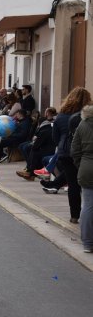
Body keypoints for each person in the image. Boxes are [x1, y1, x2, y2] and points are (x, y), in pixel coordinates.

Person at [41, 87, 92, 222]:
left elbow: (55, 137)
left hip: (65, 152)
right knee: (86, 185)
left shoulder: (61, 115)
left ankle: (74, 216)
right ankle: (88, 214)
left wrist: (62, 145)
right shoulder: (87, 116)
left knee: (72, 184)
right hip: (84, 153)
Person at [71, 105, 93, 252]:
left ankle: (87, 243)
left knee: (88, 206)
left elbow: (74, 149)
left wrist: (81, 164)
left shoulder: (82, 125)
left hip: (86, 167)